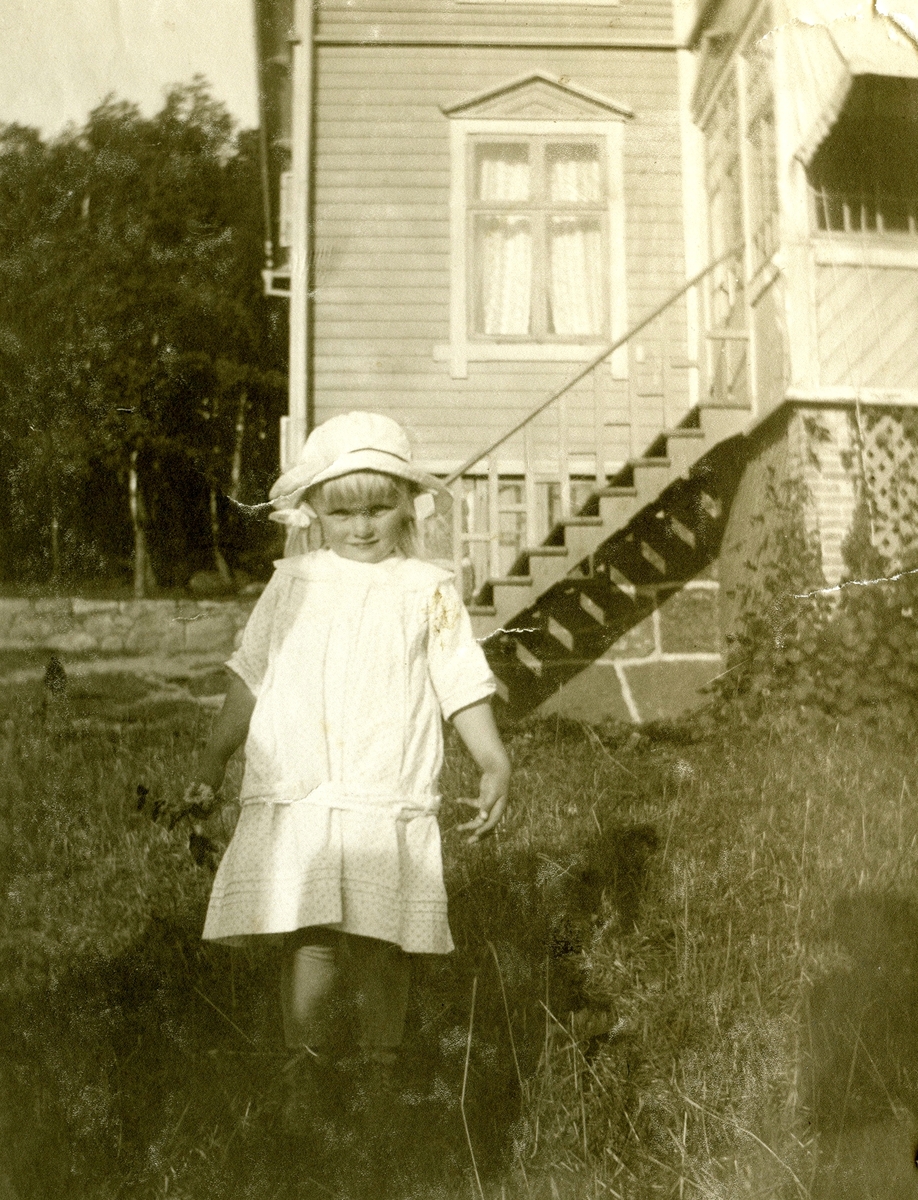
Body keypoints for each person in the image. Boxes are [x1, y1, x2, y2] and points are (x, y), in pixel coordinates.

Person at [178, 411, 511, 1135]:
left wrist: (492, 758)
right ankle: (305, 1082)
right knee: (313, 933)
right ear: (314, 513)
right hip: (304, 783)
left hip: (382, 783)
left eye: (378, 509)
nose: (361, 527)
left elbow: (460, 679)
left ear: (407, 507)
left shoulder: (427, 587)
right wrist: (213, 758)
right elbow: (250, 675)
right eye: (342, 512)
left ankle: (380, 1083)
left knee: (380, 937)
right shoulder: (293, 583)